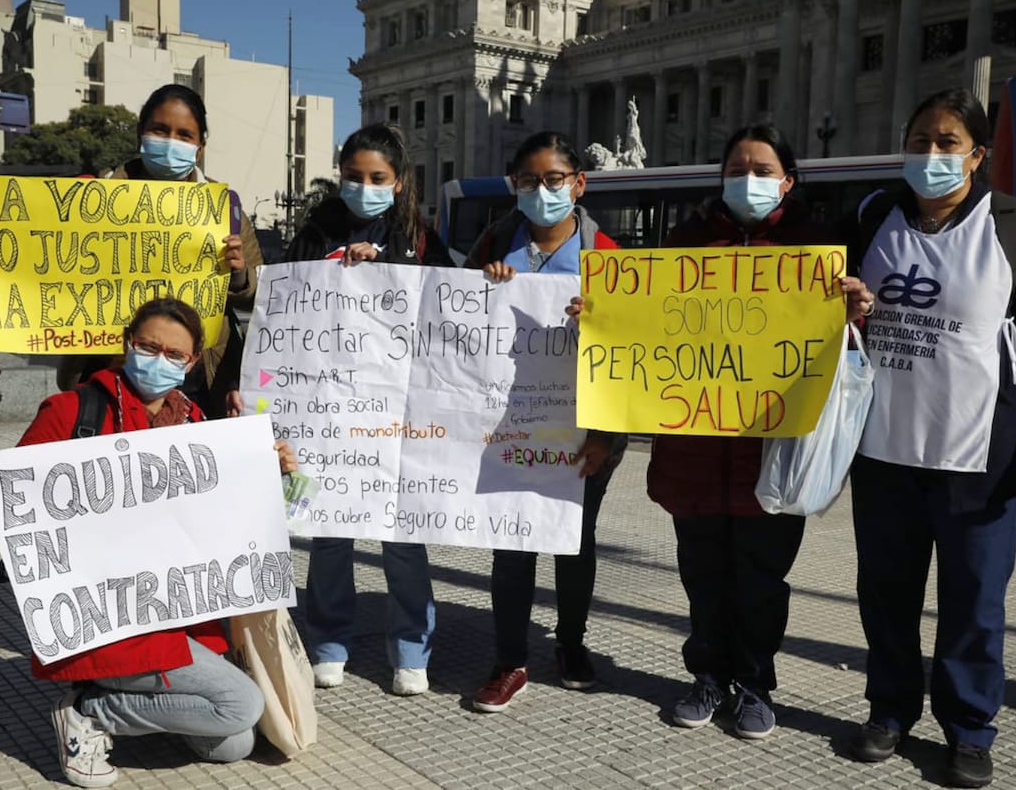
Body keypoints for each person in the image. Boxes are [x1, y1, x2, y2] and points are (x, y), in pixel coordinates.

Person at [0, 297, 296, 788]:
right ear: (128, 344)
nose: (160, 360)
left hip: (174, 611)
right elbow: (17, 500)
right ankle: (90, 713)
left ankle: (110, 696)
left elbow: (230, 510)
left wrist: (269, 471)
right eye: (149, 346)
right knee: (240, 705)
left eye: (175, 354)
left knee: (231, 744)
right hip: (104, 618)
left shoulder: (196, 426)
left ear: (190, 364)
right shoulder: (72, 410)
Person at [846, 88, 1016, 789]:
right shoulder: (874, 214)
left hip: (982, 454)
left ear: (977, 155)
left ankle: (970, 729)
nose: (931, 155)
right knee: (885, 593)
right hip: (884, 447)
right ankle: (889, 710)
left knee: (975, 602)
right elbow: (828, 307)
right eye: (920, 140)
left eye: (948, 143)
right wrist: (846, 305)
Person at [641, 124, 873, 740]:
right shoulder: (685, 243)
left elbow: (839, 357)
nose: (749, 179)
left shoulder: (816, 246)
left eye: (763, 169)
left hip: (775, 453)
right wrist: (605, 317)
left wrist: (852, 314)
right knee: (703, 577)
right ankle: (707, 677)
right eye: (737, 167)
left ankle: (753, 684)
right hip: (693, 450)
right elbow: (648, 332)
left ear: (788, 181)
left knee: (762, 582)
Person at [0, 84, 262, 418]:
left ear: (200, 147)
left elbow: (258, 299)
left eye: (184, 134)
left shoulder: (224, 209)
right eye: (160, 130)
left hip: (198, 382)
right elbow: (40, 259)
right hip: (110, 375)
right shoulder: (89, 198)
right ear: (141, 133)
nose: (171, 141)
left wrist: (239, 273)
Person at [280, 122, 453, 697]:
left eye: (377, 177)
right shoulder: (313, 234)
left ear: (399, 182)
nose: (364, 186)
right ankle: (329, 643)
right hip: (326, 410)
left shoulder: (421, 241)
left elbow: (458, 308)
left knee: (403, 536)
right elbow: (283, 310)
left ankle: (411, 649)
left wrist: (385, 271)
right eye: (353, 176)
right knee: (328, 531)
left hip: (397, 414)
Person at [463, 131, 628, 713]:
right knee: (512, 544)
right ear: (515, 186)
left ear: (579, 184)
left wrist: (607, 438)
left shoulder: (606, 254)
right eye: (529, 181)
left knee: (573, 543)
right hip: (511, 426)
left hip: (586, 430)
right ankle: (509, 660)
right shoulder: (493, 243)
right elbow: (453, 325)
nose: (542, 191)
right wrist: (483, 287)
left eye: (554, 179)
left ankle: (572, 645)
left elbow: (631, 358)